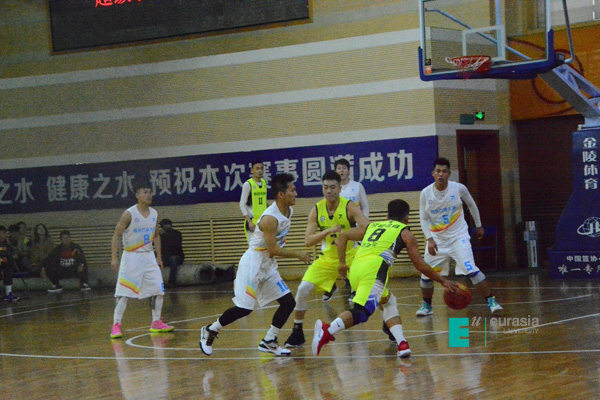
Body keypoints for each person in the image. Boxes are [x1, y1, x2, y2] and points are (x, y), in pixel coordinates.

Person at [312, 199, 460, 357]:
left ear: (387, 216)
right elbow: (420, 265)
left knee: (388, 301)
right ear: (407, 219)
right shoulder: (405, 233)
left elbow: (343, 235)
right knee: (362, 313)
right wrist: (442, 281)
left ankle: (402, 344)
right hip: (373, 272)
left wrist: (342, 263)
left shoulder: (372, 226)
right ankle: (327, 330)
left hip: (356, 269)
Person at [199, 173, 312, 357]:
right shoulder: (270, 219)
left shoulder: (288, 211)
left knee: (288, 302)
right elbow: (273, 250)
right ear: (281, 194)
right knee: (244, 308)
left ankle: (269, 340)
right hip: (252, 264)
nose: (296, 194)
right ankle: (211, 329)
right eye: (292, 190)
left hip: (267, 264)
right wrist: (297, 254)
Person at [283, 170, 368, 348]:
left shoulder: (350, 207)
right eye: (325, 187)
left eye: (332, 187)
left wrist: (345, 236)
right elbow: (308, 240)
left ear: (340, 188)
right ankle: (297, 331)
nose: (329, 191)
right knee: (302, 289)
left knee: (372, 292)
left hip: (352, 256)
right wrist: (328, 231)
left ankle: (389, 325)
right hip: (328, 258)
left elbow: (366, 229)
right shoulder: (316, 210)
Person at [416, 157, 502, 316]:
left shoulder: (459, 188)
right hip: (437, 240)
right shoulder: (425, 193)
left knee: (471, 269)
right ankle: (427, 306)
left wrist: (478, 225)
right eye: (438, 171)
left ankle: (491, 301)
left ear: (449, 174)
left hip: (458, 238)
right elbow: (423, 218)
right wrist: (429, 239)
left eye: (444, 171)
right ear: (433, 173)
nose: (441, 174)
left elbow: (472, 205)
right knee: (427, 274)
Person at [110, 180, 174, 339]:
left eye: (150, 192)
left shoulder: (154, 213)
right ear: (137, 195)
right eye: (145, 192)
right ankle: (116, 325)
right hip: (131, 256)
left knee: (158, 289)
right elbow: (116, 235)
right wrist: (114, 257)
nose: (148, 195)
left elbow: (156, 235)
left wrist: (159, 256)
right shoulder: (129, 214)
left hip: (148, 256)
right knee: (123, 293)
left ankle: (156, 321)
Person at [327, 158, 370, 302]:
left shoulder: (357, 186)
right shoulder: (333, 189)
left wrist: (364, 224)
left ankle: (354, 290)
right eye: (339, 168)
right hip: (340, 230)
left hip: (356, 229)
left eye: (344, 168)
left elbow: (365, 206)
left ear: (348, 170)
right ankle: (335, 285)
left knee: (357, 259)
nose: (341, 170)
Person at [239, 160, 268, 243]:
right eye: (257, 168)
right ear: (252, 170)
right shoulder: (248, 184)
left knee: (265, 247)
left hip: (263, 220)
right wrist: (249, 222)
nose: (260, 171)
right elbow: (242, 204)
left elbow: (263, 202)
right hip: (253, 221)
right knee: (254, 248)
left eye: (261, 168)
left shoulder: (264, 182)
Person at [159, 219, 185, 287]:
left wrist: (164, 236)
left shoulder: (177, 233)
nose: (167, 226)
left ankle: (172, 281)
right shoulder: (160, 235)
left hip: (177, 257)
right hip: (166, 257)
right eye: (165, 225)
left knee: (173, 259)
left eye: (168, 225)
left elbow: (175, 245)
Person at [0, 225, 19, 302]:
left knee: (9, 268)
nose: (1, 235)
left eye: (2, 233)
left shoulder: (8, 245)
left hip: (5, 266)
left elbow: (13, 255)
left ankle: (9, 293)